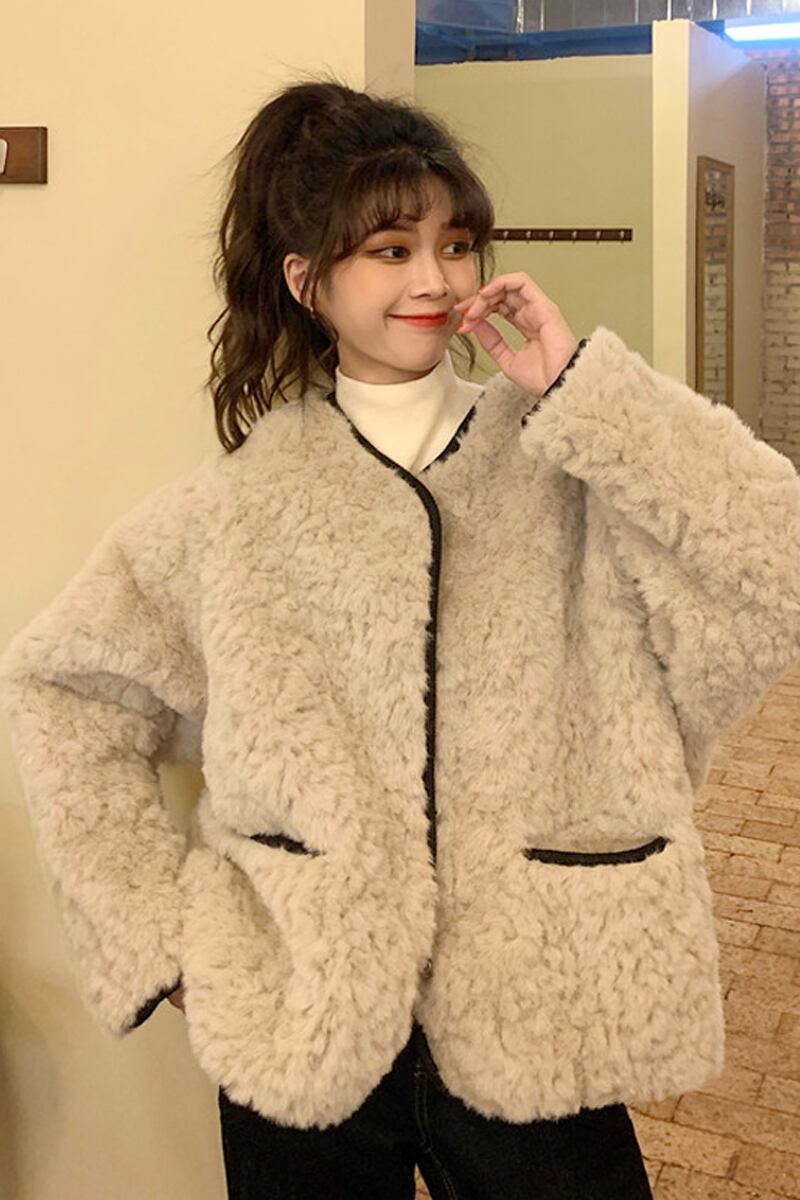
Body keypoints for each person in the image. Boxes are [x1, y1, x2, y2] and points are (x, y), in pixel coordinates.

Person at [2, 70, 799, 1200]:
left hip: (541, 998)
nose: (435, 279)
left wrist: (582, 387)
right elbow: (62, 688)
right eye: (390, 249)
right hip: (304, 1017)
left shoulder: (565, 461)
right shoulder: (237, 509)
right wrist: (164, 940)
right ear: (307, 280)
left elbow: (774, 560)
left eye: (456, 245)